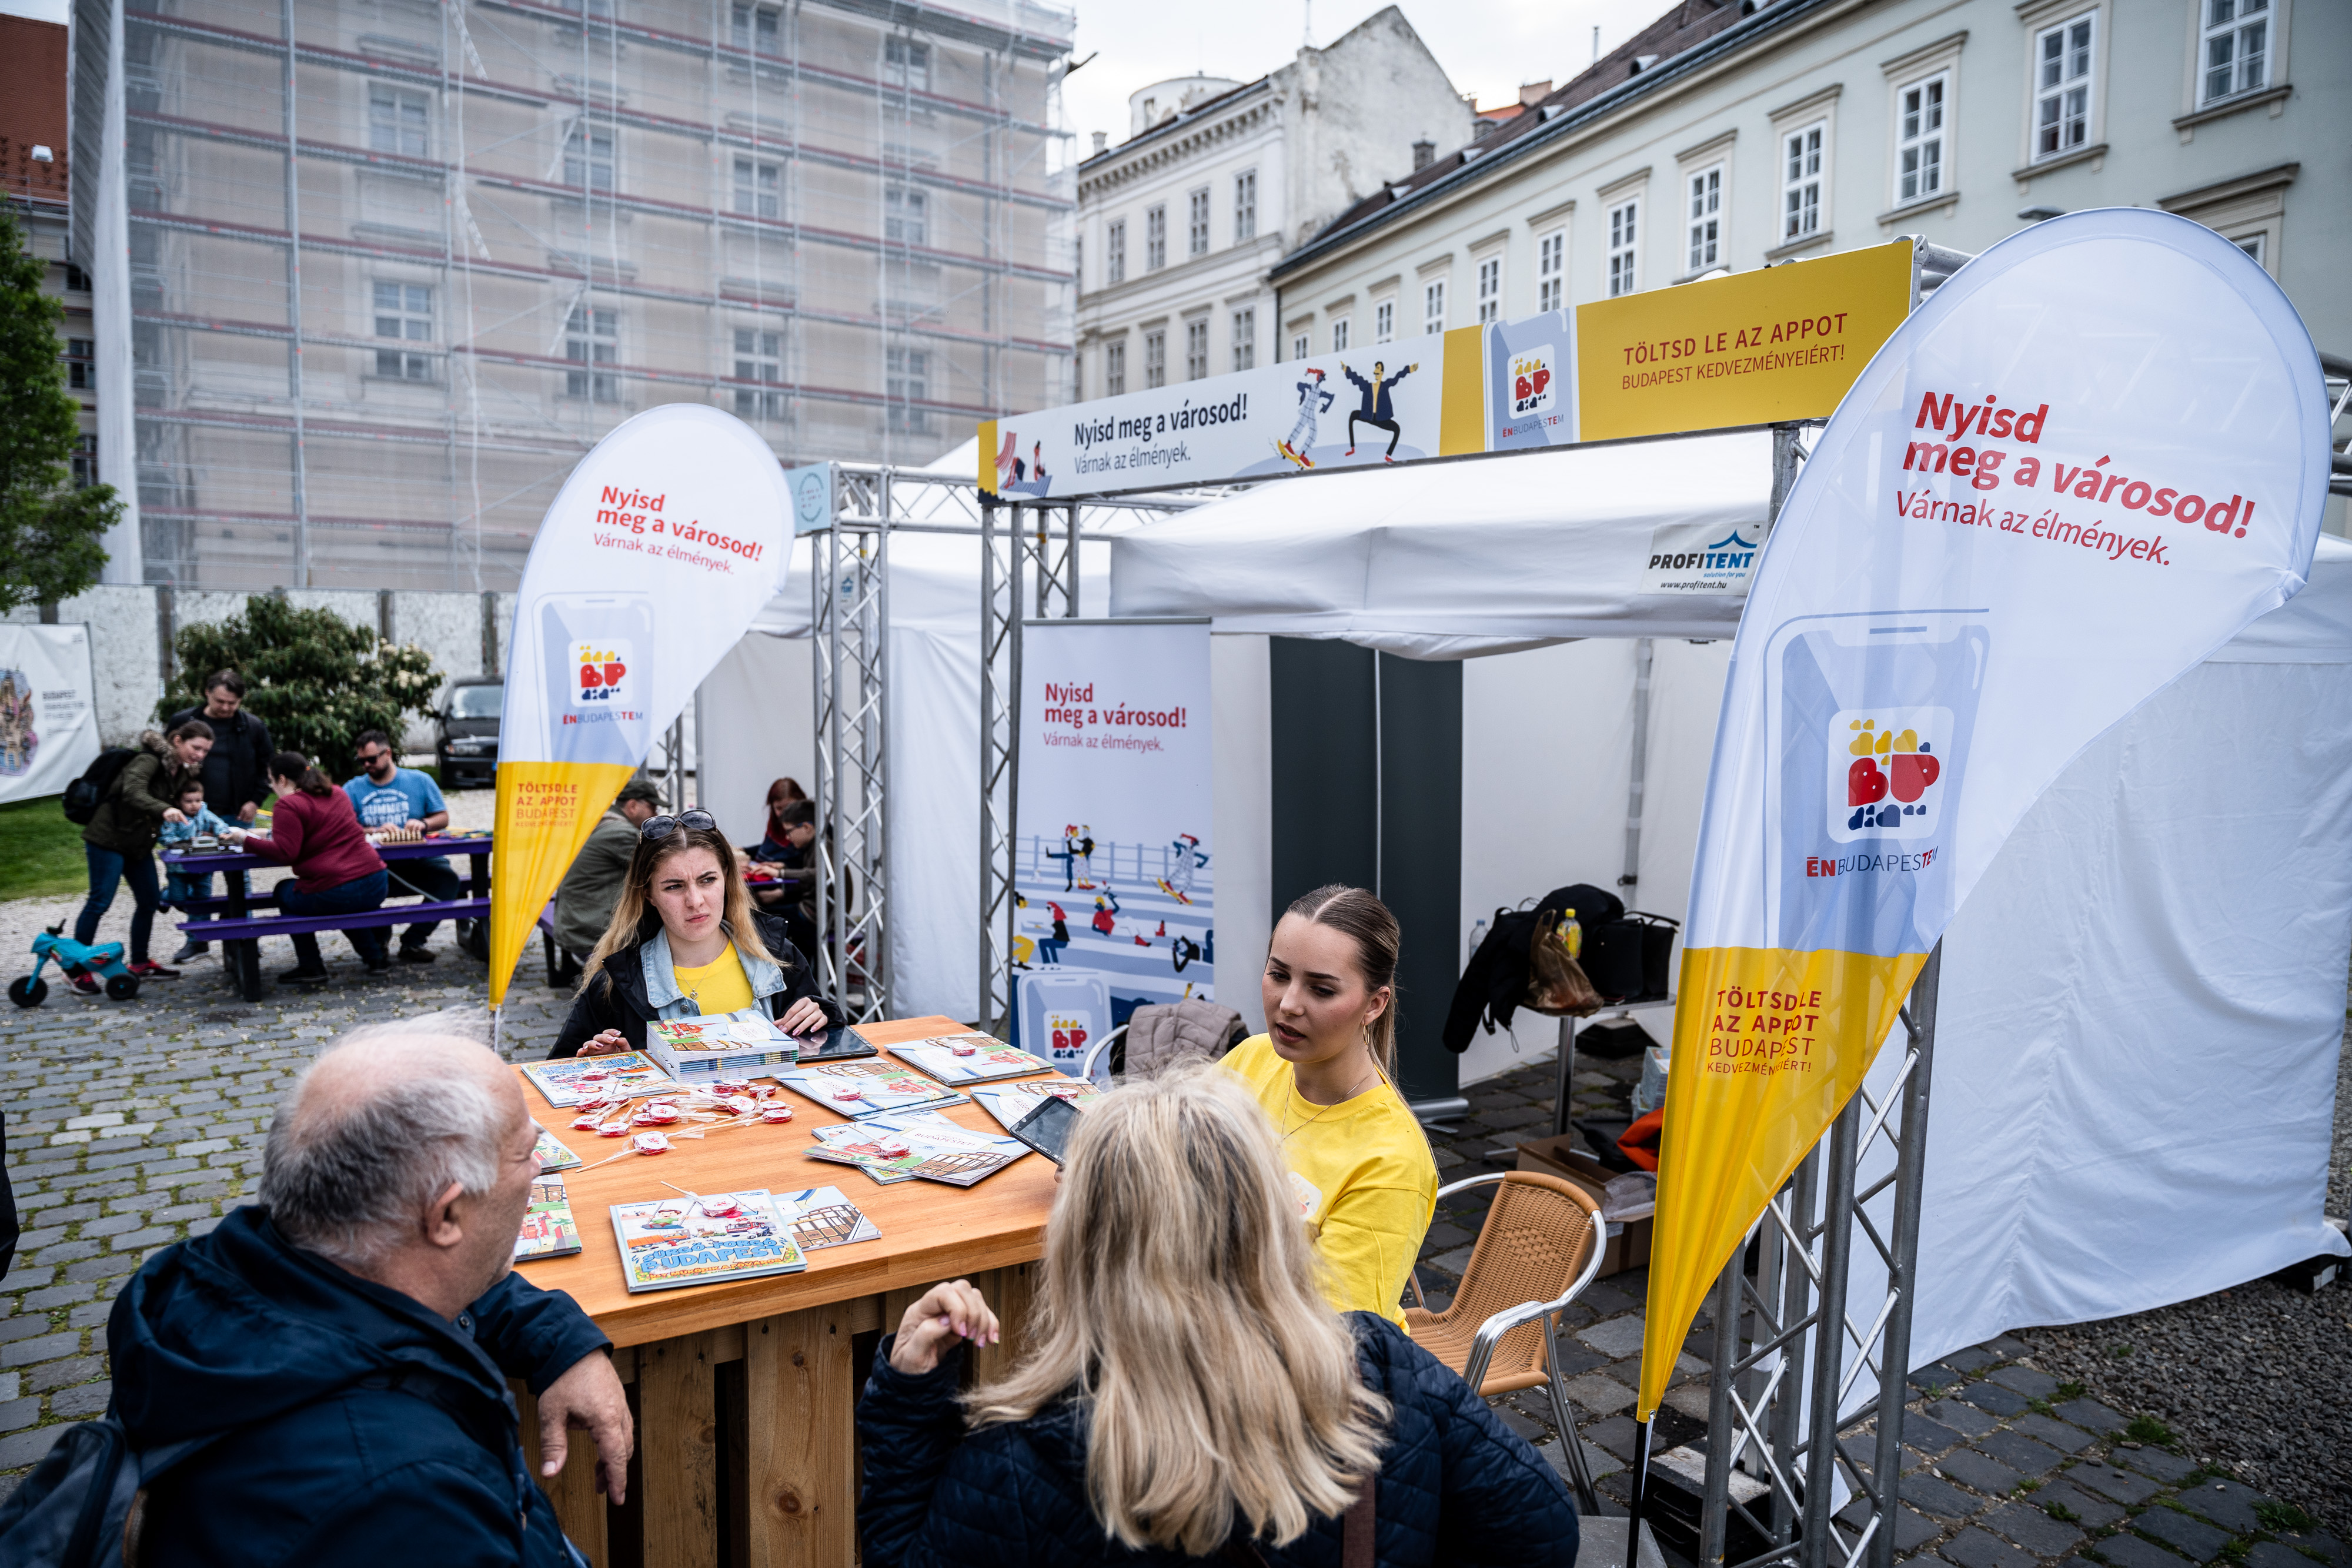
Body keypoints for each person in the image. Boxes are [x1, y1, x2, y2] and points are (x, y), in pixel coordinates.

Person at [856, 1065, 1580, 1567]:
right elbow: (1543, 1531)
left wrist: (907, 1400)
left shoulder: (1024, 1465)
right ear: (1267, 1222)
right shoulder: (1384, 1370)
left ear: (1086, 1244)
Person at [108, 1009, 634, 1566]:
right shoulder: (404, 1501)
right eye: (526, 1153)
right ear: (446, 1214)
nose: (539, 1170)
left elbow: (435, 1276)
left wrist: (560, 1339)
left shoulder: (227, 1275)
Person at [1225, 884, 1437, 1330]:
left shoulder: (1392, 1161)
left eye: (1321, 990)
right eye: (1278, 974)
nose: (1288, 1004)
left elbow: (1330, 1335)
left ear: (1374, 1004)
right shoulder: (1252, 1058)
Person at [549, 809, 840, 1057]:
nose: (695, 901)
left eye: (708, 880)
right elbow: (558, 1072)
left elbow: (827, 1053)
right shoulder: (615, 984)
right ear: (648, 894)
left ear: (727, 878)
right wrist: (611, 1068)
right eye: (674, 886)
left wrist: (821, 1020)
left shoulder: (779, 957)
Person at [229, 752, 390, 984]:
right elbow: (315, 830)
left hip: (337, 890)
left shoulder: (288, 804)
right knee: (343, 901)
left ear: (282, 779)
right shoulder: (337, 792)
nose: (272, 786)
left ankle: (311, 965)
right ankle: (375, 958)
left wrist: (243, 839)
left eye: (271, 781)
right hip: (376, 882)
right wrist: (268, 834)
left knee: (285, 890)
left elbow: (286, 852)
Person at [75, 720, 211, 986]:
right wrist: (163, 809)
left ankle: (140, 963)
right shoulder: (149, 760)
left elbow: (188, 804)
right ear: (178, 741)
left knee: (149, 901)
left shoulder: (181, 772)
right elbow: (132, 791)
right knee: (100, 902)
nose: (200, 755)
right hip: (108, 839)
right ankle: (75, 969)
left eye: (205, 751)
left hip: (138, 845)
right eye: (196, 748)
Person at [163, 671, 270, 964]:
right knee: (199, 876)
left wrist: (255, 800)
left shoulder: (252, 726)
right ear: (207, 693)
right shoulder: (183, 721)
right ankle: (198, 939)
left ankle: (246, 935)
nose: (226, 708)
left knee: (241, 876)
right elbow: (168, 765)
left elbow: (267, 767)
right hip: (194, 814)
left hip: (238, 812)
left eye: (232, 703)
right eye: (220, 701)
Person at [344, 728, 466, 962]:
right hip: (374, 865)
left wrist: (423, 823)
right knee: (353, 888)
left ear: (388, 753)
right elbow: (344, 828)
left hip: (420, 860)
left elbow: (442, 818)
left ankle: (414, 941)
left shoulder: (419, 780)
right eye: (361, 761)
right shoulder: (352, 789)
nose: (366, 765)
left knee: (449, 881)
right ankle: (378, 940)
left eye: (371, 759)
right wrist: (374, 830)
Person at [549, 777, 664, 982]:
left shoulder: (604, 823)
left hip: (575, 917)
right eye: (653, 808)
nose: (656, 815)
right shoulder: (621, 833)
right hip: (587, 928)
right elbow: (658, 870)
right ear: (633, 806)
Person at [747, 798, 819, 957]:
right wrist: (783, 868)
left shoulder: (823, 847)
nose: (787, 838)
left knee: (762, 919)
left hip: (812, 914)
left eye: (789, 831)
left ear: (807, 827)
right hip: (809, 908)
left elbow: (816, 874)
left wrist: (780, 874)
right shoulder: (812, 846)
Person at [157, 780, 233, 921]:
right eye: (189, 801)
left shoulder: (204, 813)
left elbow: (218, 823)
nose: (194, 805)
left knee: (203, 897)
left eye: (198, 801)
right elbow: (165, 837)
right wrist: (183, 843)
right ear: (179, 802)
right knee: (178, 898)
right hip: (179, 868)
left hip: (203, 866)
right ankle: (164, 894)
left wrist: (222, 833)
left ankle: (198, 926)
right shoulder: (174, 817)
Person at [1343, 359, 1419, 462]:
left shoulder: (1385, 385)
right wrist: (1346, 369)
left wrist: (1409, 370)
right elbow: (1356, 379)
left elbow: (1397, 377)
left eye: (1378, 368)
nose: (1376, 371)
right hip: (1369, 416)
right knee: (1353, 415)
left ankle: (1388, 455)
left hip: (1381, 419)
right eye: (1376, 369)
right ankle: (1352, 448)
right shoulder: (1368, 386)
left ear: (1382, 373)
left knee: (1397, 429)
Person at [751, 776, 810, 862]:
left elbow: (801, 862)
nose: (785, 813)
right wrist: (742, 851)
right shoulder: (775, 823)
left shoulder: (807, 827)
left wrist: (782, 868)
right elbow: (766, 849)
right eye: (779, 808)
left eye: (789, 807)